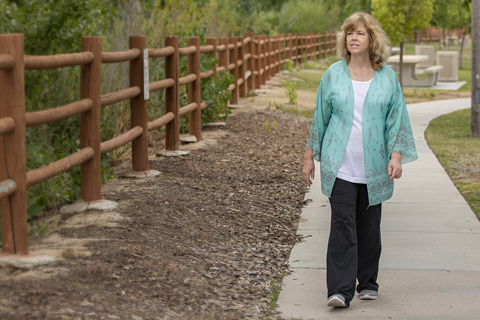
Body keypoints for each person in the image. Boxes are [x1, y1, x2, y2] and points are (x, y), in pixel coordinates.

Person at [302, 12, 417, 308]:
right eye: (349, 33)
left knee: (368, 228)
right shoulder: (333, 74)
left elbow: (397, 120)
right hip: (338, 164)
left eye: (360, 33)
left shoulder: (387, 78)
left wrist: (396, 156)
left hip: (375, 166)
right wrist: (309, 158)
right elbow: (320, 118)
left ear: (372, 40)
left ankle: (367, 281)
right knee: (342, 224)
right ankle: (339, 290)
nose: (353, 37)